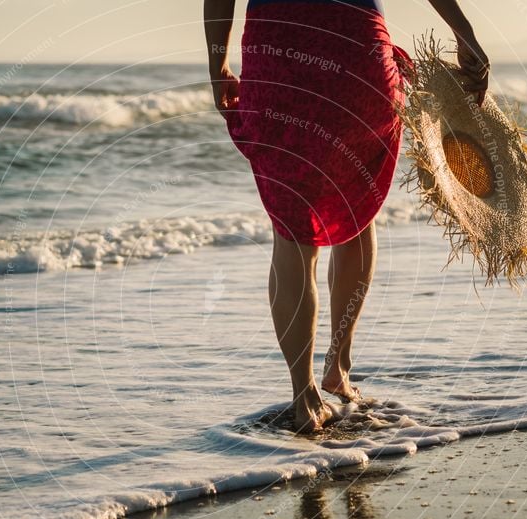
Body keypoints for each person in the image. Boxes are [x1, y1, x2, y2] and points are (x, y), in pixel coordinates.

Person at [204, 0, 488, 434]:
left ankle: (304, 397)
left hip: (280, 50)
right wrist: (465, 34)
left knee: (293, 235)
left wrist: (217, 62)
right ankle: (338, 366)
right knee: (357, 214)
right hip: (358, 52)